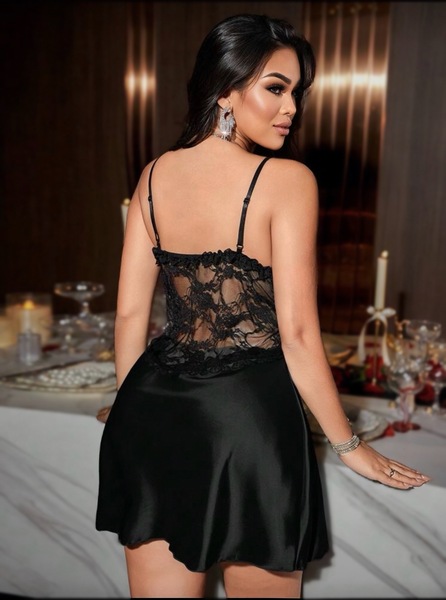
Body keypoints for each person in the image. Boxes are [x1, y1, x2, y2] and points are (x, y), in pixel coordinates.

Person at [95, 13, 430, 598]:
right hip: (247, 421)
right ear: (224, 89)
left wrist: (128, 412)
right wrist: (350, 447)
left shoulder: (153, 176)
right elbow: (297, 335)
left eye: (297, 92)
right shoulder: (288, 180)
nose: (291, 108)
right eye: (275, 88)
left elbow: (129, 317)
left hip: (150, 415)